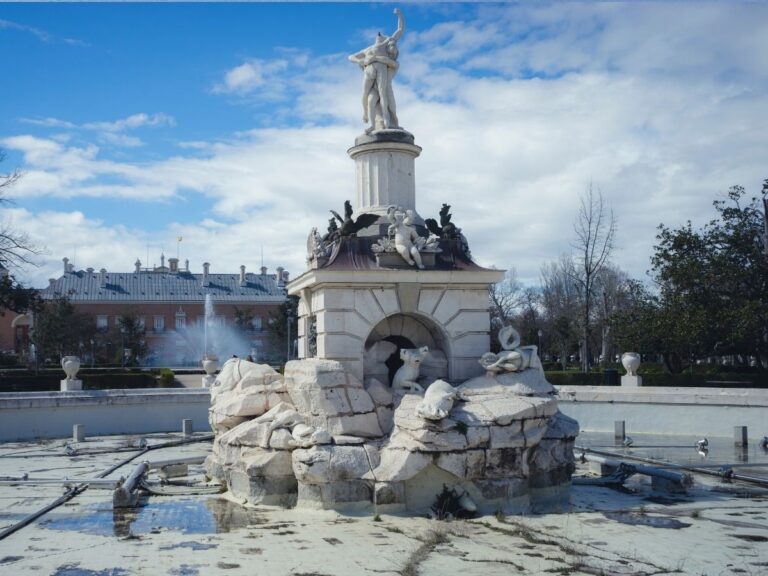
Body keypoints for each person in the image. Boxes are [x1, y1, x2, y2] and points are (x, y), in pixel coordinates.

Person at [348, 8, 404, 133]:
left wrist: (399, 15)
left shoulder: (385, 43)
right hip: (369, 71)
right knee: (365, 96)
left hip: (380, 71)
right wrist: (360, 61)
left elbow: (400, 30)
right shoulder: (366, 50)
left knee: (382, 94)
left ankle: (387, 122)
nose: (379, 34)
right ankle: (366, 116)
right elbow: (350, 57)